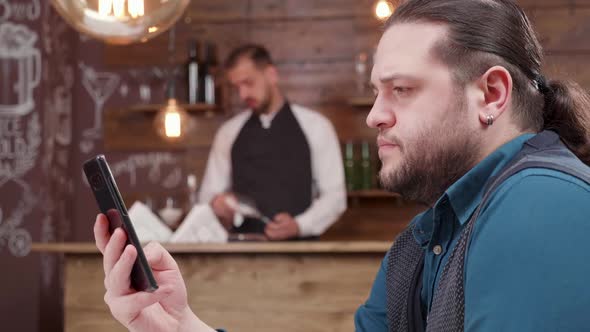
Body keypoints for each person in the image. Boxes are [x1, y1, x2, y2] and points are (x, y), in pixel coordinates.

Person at [93, 0, 590, 331]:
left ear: (491, 94)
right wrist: (181, 324)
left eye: (401, 89)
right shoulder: (428, 237)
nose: (375, 114)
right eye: (377, 92)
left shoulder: (542, 206)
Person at [198, 44, 346, 241]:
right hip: (239, 257)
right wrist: (217, 205)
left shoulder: (316, 126)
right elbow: (207, 197)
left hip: (303, 256)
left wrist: (299, 225)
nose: (243, 95)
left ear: (271, 74)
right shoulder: (228, 133)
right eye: (237, 87)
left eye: (248, 83)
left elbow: (335, 198)